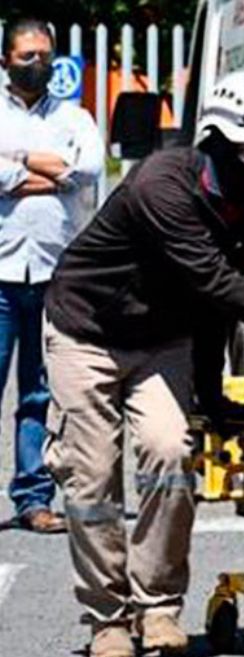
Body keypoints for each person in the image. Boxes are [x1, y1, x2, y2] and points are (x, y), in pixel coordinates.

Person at [43, 71, 244, 657]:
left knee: (171, 453)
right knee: (92, 477)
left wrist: (211, 396)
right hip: (87, 332)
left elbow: (214, 308)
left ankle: (156, 606)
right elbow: (209, 278)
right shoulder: (162, 184)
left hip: (162, 339)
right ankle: (107, 617)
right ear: (220, 142)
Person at [0, 18, 104, 534]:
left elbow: (88, 170)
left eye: (45, 55)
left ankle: (33, 497)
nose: (37, 64)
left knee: (40, 394)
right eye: (27, 56)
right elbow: (65, 175)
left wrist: (15, 167)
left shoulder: (73, 116)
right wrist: (48, 171)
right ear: (5, 61)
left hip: (55, 275)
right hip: (1, 273)